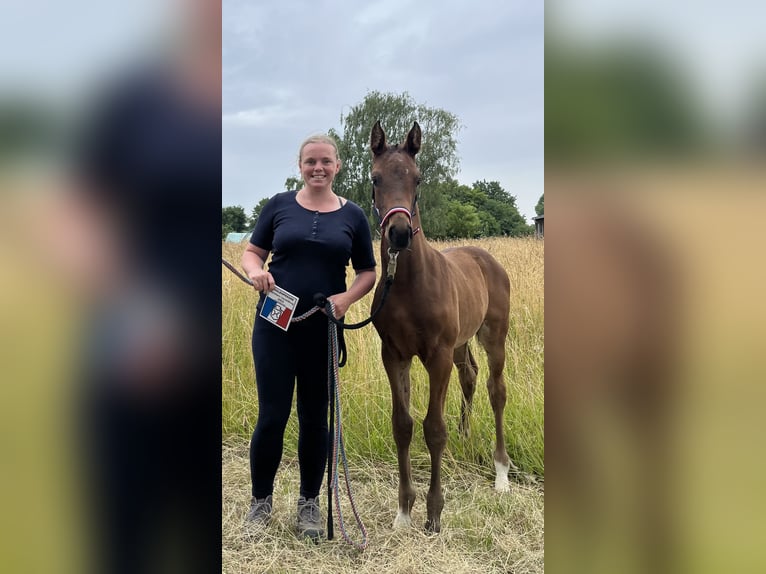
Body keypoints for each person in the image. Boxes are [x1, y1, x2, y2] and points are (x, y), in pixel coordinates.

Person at [241, 134, 377, 542]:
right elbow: (252, 252)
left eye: (325, 161)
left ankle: (309, 504)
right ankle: (260, 502)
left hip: (323, 326)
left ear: (338, 166)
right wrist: (255, 273)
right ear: (299, 166)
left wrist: (348, 298)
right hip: (275, 321)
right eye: (310, 162)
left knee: (315, 420)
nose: (318, 168)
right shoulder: (279, 206)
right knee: (272, 415)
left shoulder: (353, 216)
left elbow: (368, 272)